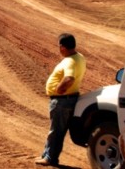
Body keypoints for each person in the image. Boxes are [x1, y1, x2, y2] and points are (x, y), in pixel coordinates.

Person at [35, 33, 86, 166]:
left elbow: (69, 78)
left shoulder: (70, 61)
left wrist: (59, 89)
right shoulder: (79, 57)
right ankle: (47, 154)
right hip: (69, 99)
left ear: (62, 47)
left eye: (59, 46)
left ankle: (50, 158)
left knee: (56, 131)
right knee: (57, 130)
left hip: (62, 101)